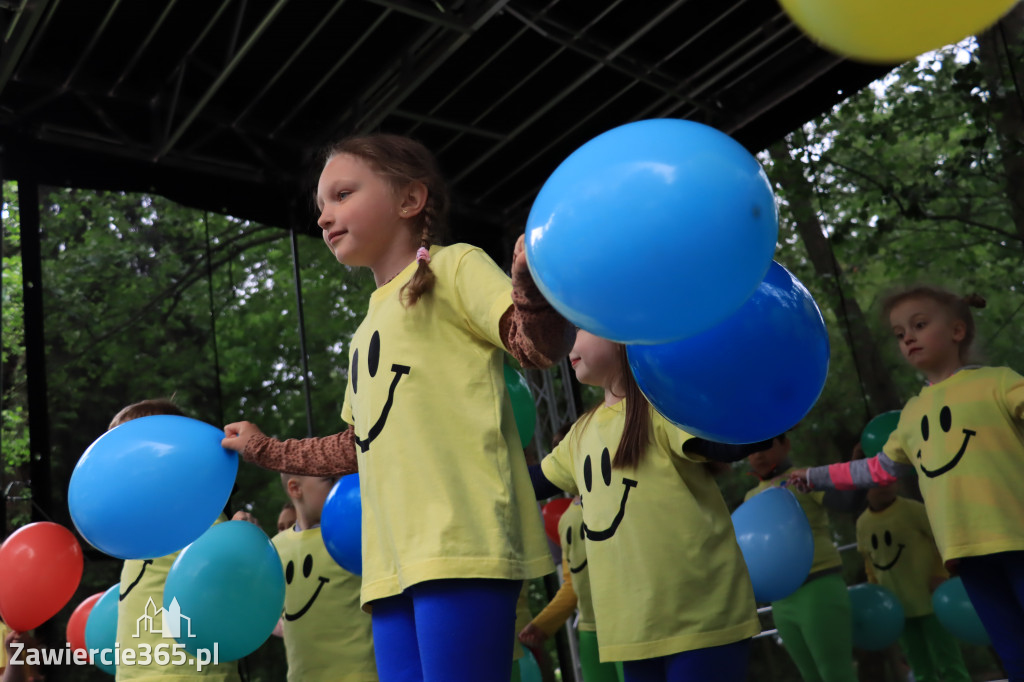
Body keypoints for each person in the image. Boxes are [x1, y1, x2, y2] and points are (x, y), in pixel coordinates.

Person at [220, 134, 574, 682]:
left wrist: (531, 287)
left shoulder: (456, 266)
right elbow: (354, 445)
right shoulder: (363, 330)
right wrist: (266, 449)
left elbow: (537, 346)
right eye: (320, 207)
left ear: (410, 200)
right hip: (386, 564)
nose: (324, 217)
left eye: (341, 195)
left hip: (461, 542)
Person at [788, 287, 1024, 679]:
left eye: (919, 325)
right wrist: (816, 476)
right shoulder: (911, 414)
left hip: (1018, 535)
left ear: (957, 331)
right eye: (900, 334)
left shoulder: (998, 382)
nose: (908, 338)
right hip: (965, 552)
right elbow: (877, 469)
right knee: (1013, 648)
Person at [535, 330, 760, 682]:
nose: (567, 342)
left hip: (702, 618)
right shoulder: (578, 434)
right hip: (633, 633)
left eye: (579, 326)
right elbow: (533, 481)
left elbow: (731, 442)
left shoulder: (663, 407)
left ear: (621, 332)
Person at [110, 399, 242, 682]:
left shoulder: (195, 510)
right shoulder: (136, 523)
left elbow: (225, 572)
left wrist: (239, 539)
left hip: (187, 672)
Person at [743, 434, 860, 682]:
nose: (757, 454)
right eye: (750, 450)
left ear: (785, 444)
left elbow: (846, 501)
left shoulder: (804, 477)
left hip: (818, 585)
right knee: (810, 676)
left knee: (836, 674)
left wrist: (858, 465)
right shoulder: (750, 498)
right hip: (781, 599)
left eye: (764, 445)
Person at [856, 482, 970, 682]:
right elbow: (869, 560)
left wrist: (939, 574)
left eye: (888, 479)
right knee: (919, 667)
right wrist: (876, 592)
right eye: (876, 482)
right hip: (897, 609)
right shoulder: (862, 523)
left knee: (950, 662)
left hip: (931, 600)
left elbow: (939, 539)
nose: (884, 485)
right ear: (864, 488)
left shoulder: (913, 509)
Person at [272, 474, 377, 681]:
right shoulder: (274, 548)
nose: (340, 485)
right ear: (295, 489)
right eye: (329, 479)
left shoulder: (357, 533)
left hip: (361, 674)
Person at [519, 495, 623, 682]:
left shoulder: (616, 498)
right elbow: (573, 583)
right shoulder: (566, 517)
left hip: (625, 623)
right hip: (590, 630)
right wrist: (542, 624)